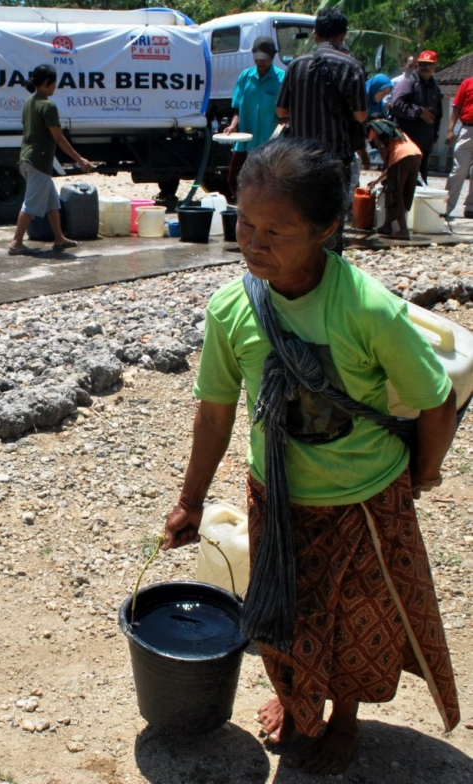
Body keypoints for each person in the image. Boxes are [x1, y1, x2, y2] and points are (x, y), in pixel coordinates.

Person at [163, 137, 459, 776]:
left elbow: (435, 401)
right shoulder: (232, 310)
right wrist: (189, 501)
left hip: (363, 499)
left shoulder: (366, 308)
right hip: (278, 498)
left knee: (357, 623)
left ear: (326, 230)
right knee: (280, 613)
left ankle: (344, 719)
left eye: (277, 230)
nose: (253, 242)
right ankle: (297, 694)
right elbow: (215, 414)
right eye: (244, 222)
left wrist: (422, 475)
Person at [275, 8, 367, 254]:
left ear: (315, 35)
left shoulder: (295, 66)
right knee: (333, 217)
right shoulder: (352, 67)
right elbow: (360, 115)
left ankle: (300, 261)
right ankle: (330, 270)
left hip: (301, 157)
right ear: (343, 35)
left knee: (301, 212)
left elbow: (282, 111)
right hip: (336, 158)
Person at [9, 64, 92, 256]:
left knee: (52, 202)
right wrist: (79, 159)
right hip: (39, 160)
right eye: (54, 83)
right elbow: (59, 138)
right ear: (47, 83)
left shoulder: (30, 102)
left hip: (28, 158)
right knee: (30, 204)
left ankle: (59, 238)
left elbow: (25, 133)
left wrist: (22, 157)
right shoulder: (48, 106)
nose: (55, 86)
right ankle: (16, 242)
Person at [223, 37, 285, 200]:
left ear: (272, 58)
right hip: (244, 144)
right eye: (257, 59)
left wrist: (277, 135)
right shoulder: (245, 77)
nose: (260, 63)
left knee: (266, 184)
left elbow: (286, 116)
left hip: (269, 145)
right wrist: (233, 126)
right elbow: (237, 109)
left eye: (264, 60)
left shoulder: (281, 79)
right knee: (234, 181)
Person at [390, 50, 442, 185]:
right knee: (401, 182)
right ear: (417, 65)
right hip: (406, 144)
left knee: (420, 183)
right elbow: (396, 105)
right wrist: (418, 111)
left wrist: (434, 136)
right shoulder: (407, 83)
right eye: (422, 64)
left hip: (425, 145)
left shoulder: (435, 88)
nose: (425, 67)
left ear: (434, 67)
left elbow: (438, 115)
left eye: (429, 64)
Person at [367, 118, 422, 240]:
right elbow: (395, 163)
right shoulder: (395, 131)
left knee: (394, 193)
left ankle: (403, 230)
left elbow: (382, 147)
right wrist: (377, 181)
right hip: (416, 154)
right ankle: (387, 226)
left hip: (401, 157)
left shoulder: (373, 129)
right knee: (404, 191)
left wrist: (386, 164)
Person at [445, 76, 473, 219]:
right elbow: (457, 106)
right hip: (467, 129)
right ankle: (445, 207)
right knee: (458, 170)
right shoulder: (467, 83)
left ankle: (470, 208)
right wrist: (450, 129)